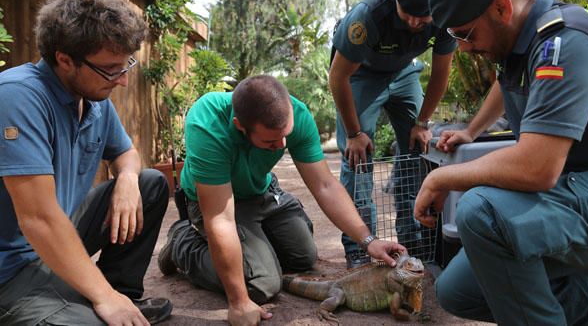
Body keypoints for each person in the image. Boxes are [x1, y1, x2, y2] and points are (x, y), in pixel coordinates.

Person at [415, 0, 588, 325]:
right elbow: (506, 85)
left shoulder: (565, 42)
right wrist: (471, 131)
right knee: (459, 290)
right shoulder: (521, 44)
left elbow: (537, 167)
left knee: (483, 213)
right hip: (578, 194)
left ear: (501, 8)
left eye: (465, 33)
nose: (463, 47)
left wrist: (441, 176)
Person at [157, 75, 406, 326]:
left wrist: (368, 241)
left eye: (285, 136)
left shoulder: (296, 113)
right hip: (215, 201)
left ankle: (255, 249)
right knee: (262, 284)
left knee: (303, 258)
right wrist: (239, 302)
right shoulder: (207, 122)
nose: (281, 145)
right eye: (270, 141)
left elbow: (325, 185)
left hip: (262, 191)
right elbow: (220, 218)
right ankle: (182, 242)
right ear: (240, 126)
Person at [0, 0, 172, 325]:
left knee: (148, 184)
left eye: (126, 66)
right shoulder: (17, 97)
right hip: (12, 267)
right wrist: (102, 298)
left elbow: (126, 152)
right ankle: (100, 302)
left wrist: (125, 178)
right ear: (65, 59)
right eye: (111, 69)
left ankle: (120, 296)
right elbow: (38, 219)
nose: (122, 80)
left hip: (54, 237)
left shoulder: (93, 98)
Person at [329, 0, 456, 268]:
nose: (415, 22)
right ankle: (360, 248)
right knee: (358, 158)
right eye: (407, 12)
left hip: (403, 73)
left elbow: (441, 72)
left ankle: (413, 240)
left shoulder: (444, 12)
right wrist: (355, 133)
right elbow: (338, 76)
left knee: (417, 148)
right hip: (361, 75)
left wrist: (422, 121)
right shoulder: (367, 16)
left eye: (422, 14)